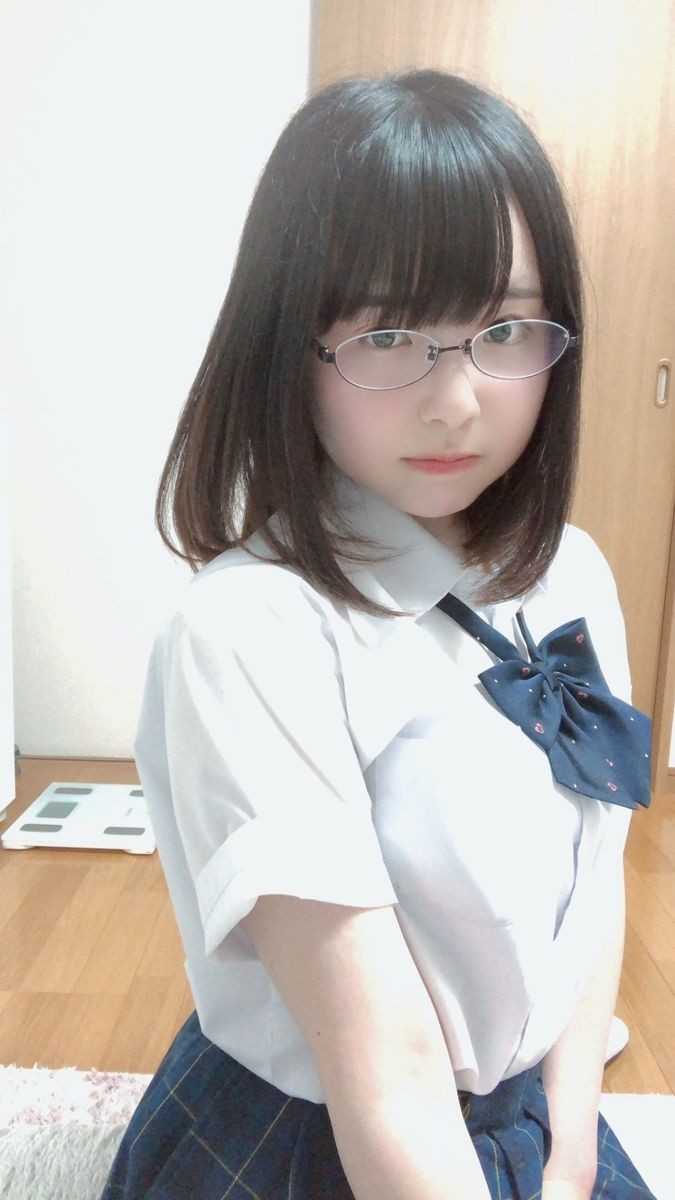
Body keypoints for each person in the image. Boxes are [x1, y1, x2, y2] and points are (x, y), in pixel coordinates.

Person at [100, 69, 656, 1200]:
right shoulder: (247, 631)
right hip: (321, 1136)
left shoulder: (575, 573)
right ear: (288, 343)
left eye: (504, 327)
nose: (457, 400)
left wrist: (571, 1150)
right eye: (391, 333)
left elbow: (595, 884)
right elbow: (386, 1078)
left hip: (528, 1109)